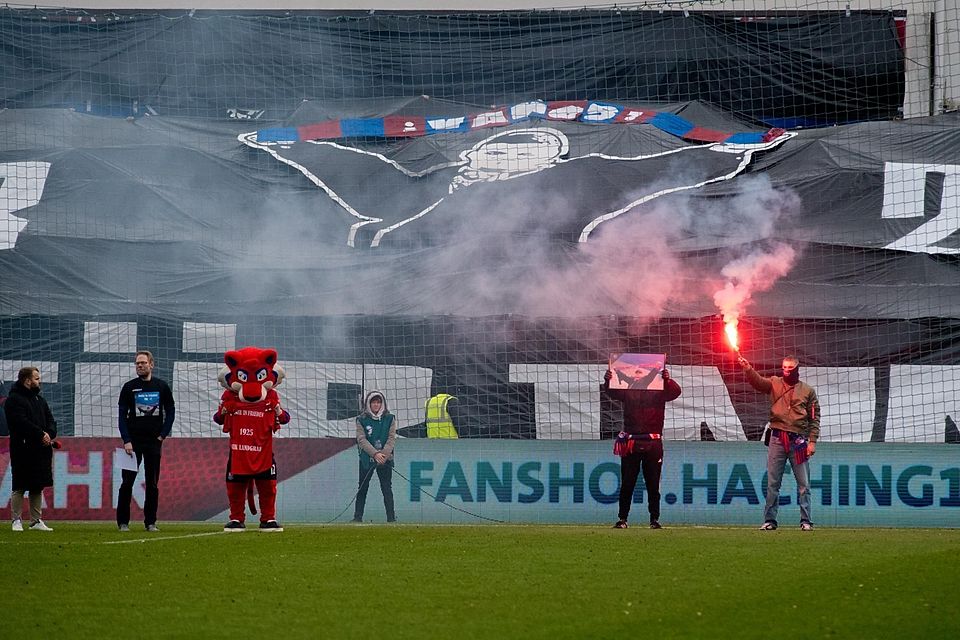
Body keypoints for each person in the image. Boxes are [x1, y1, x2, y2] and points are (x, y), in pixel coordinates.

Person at [738, 354, 820, 531]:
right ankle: (769, 520)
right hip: (777, 438)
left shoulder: (808, 391)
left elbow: (814, 418)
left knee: (804, 483)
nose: (787, 372)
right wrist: (748, 369)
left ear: (797, 370)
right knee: (773, 482)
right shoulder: (774, 382)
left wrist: (812, 441)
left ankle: (806, 521)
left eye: (790, 369)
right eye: (784, 368)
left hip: (798, 440)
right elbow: (758, 382)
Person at [603, 365, 682, 529]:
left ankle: (654, 519)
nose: (638, 377)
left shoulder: (659, 390)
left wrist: (667, 380)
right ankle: (623, 519)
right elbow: (611, 391)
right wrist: (607, 379)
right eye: (636, 374)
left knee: (653, 484)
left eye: (641, 374)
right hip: (631, 441)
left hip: (653, 442)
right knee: (627, 483)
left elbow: (676, 392)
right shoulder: (628, 389)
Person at [117, 350, 175, 532]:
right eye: (137, 363)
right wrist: (126, 440)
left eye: (143, 363)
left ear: (151, 364)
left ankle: (150, 522)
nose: (140, 366)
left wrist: (162, 435)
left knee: (152, 484)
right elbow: (121, 416)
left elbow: (171, 412)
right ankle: (123, 522)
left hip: (153, 443)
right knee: (127, 483)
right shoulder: (128, 388)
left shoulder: (161, 386)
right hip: (132, 444)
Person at [3, 367, 57, 532]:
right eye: (36, 378)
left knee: (37, 485)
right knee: (19, 484)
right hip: (23, 449)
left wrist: (49, 433)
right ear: (27, 380)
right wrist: (40, 434)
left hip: (41, 449)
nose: (39, 381)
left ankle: (35, 520)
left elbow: (51, 420)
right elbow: (20, 422)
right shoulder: (13, 400)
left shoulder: (40, 400)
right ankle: (16, 520)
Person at [353, 391, 398, 523]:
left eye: (378, 402)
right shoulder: (361, 419)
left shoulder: (390, 418)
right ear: (369, 404)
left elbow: (391, 438)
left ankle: (391, 518)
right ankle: (357, 517)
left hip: (385, 458)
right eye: (373, 402)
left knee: (386, 488)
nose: (376, 405)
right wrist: (374, 453)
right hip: (367, 459)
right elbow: (361, 440)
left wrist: (383, 454)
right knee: (362, 487)